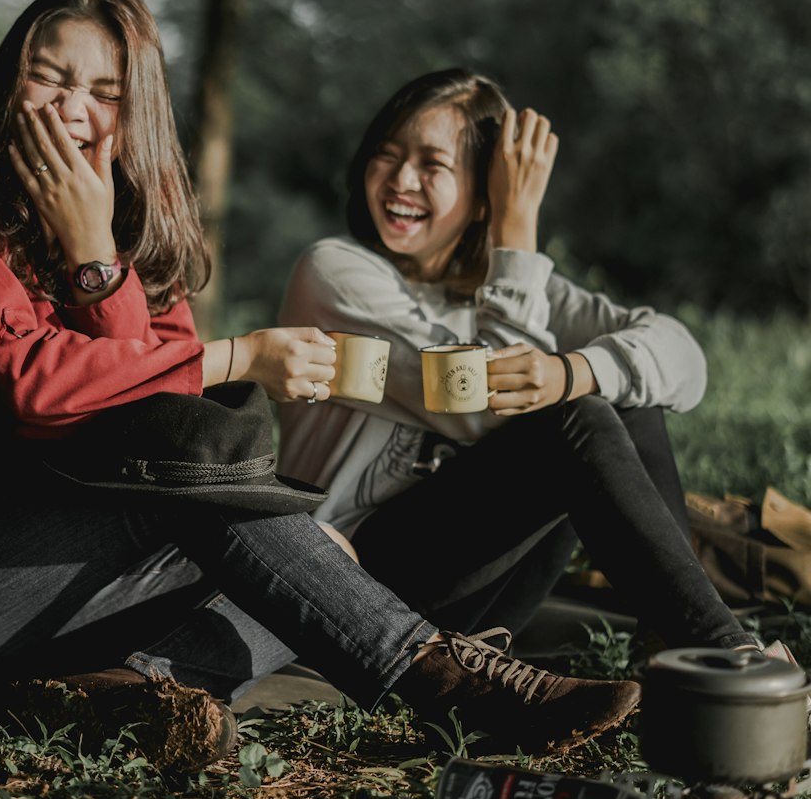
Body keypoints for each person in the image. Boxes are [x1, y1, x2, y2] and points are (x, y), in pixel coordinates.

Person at [0, 0, 643, 771]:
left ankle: (116, 695)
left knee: (322, 548)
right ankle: (445, 680)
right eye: (48, 77)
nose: (71, 109)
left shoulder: (129, 234)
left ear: (133, 114)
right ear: (8, 81)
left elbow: (165, 413)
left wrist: (95, 251)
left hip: (43, 612)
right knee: (210, 483)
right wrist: (238, 356)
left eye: (103, 92)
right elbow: (39, 387)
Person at [277, 67, 767, 664]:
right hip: (350, 581)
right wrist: (517, 228)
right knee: (574, 419)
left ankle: (671, 643)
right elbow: (479, 407)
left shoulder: (524, 286)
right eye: (387, 155)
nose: (402, 179)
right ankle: (725, 655)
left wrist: (573, 371)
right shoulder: (334, 272)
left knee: (616, 390)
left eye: (432, 164)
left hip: (477, 598)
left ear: (483, 191)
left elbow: (684, 360)